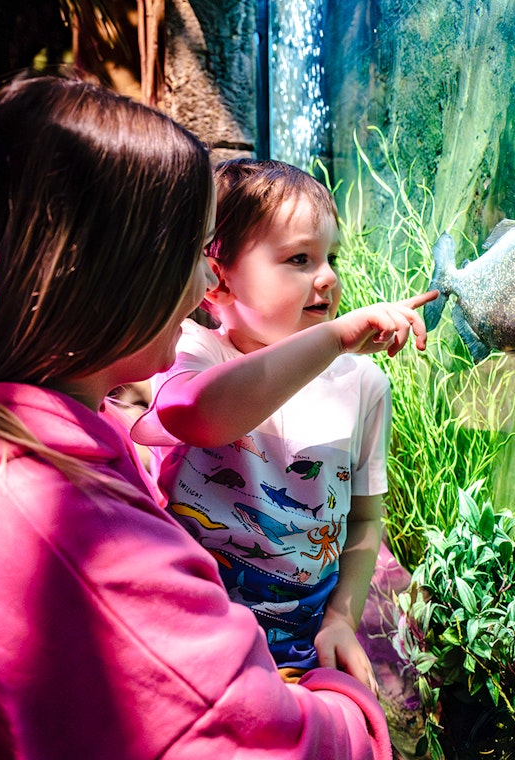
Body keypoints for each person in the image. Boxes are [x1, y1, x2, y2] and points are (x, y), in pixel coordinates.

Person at [0, 75, 399, 759]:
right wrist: (347, 706)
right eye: (193, 253)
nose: (206, 283)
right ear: (114, 272)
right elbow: (259, 740)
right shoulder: (72, 541)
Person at [133, 158, 434, 693]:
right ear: (218, 279)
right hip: (194, 629)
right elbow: (197, 416)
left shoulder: (364, 385)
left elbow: (365, 520)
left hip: (303, 640)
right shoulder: (193, 350)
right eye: (299, 258)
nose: (328, 277)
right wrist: (334, 339)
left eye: (330, 257)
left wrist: (341, 619)